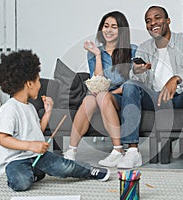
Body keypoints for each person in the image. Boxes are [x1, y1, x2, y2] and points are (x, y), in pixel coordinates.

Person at [0, 49, 110, 192]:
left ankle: (89, 171)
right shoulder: (9, 108)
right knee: (21, 183)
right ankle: (31, 173)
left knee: (64, 166)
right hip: (15, 161)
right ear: (29, 83)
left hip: (36, 156)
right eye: (38, 80)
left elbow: (37, 131)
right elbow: (3, 139)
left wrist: (48, 113)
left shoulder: (30, 107)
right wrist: (31, 145)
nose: (40, 85)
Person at [118, 5, 183, 172]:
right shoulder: (144, 48)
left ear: (168, 21)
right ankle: (132, 150)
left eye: (157, 17)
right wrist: (137, 72)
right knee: (129, 85)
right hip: (155, 98)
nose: (153, 22)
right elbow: (138, 81)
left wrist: (176, 78)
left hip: (180, 96)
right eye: (148, 21)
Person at [63, 11, 137, 168]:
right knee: (89, 99)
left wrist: (109, 93)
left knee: (102, 96)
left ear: (122, 30)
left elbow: (133, 82)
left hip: (125, 96)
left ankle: (118, 150)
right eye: (106, 26)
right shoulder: (94, 53)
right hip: (101, 96)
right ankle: (71, 150)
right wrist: (97, 55)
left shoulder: (132, 50)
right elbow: (98, 82)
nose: (109, 30)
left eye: (114, 27)